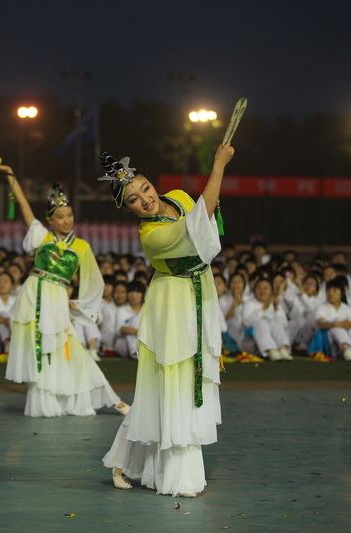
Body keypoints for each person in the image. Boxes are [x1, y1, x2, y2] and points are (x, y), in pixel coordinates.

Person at [100, 143, 233, 497]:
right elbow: (198, 222)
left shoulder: (177, 196)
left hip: (199, 295)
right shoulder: (152, 236)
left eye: (144, 187)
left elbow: (206, 224)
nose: (145, 199)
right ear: (127, 209)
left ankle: (123, 460)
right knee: (172, 387)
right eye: (133, 200)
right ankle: (176, 476)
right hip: (172, 305)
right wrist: (218, 165)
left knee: (170, 390)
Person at [1, 167, 128, 417]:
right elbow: (25, 207)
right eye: (61, 216)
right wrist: (11, 178)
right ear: (51, 220)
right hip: (34, 295)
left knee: (72, 350)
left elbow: (95, 282)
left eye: (69, 215)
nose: (67, 220)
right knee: (40, 350)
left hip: (58, 297)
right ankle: (47, 403)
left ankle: (112, 399)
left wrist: (78, 303)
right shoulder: (42, 237)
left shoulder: (81, 246)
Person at [314, 277, 351, 360]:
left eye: (334, 291)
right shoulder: (321, 307)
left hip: (346, 337)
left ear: (341, 293)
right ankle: (346, 350)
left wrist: (347, 324)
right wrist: (336, 324)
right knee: (337, 327)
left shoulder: (346, 308)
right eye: (328, 291)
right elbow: (320, 324)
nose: (331, 294)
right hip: (329, 341)